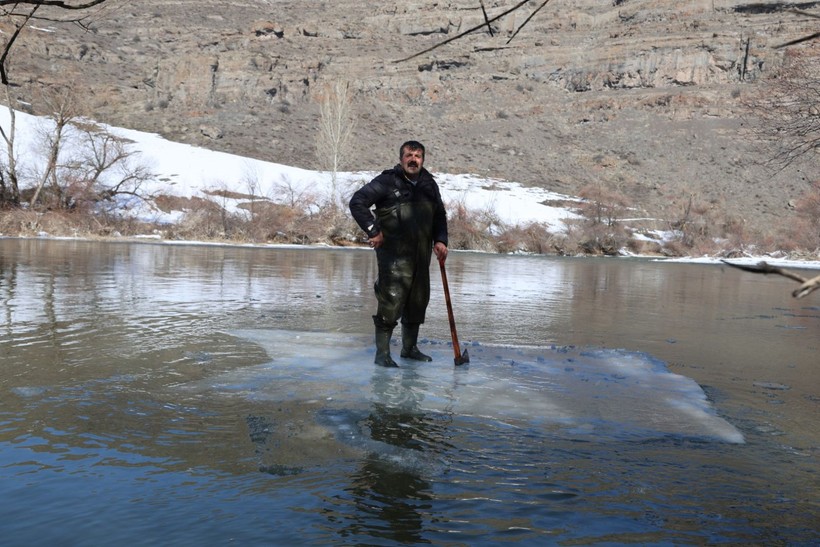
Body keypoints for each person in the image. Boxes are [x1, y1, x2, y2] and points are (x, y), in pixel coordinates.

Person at [349, 140, 449, 367]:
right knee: (391, 301)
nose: (413, 159)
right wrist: (373, 230)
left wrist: (441, 240)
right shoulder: (386, 181)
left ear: (423, 159)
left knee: (418, 300)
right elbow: (357, 202)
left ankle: (409, 349)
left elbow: (439, 215)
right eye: (409, 155)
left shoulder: (429, 184)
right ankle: (382, 353)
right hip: (393, 255)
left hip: (421, 254)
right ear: (401, 158)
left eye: (418, 156)